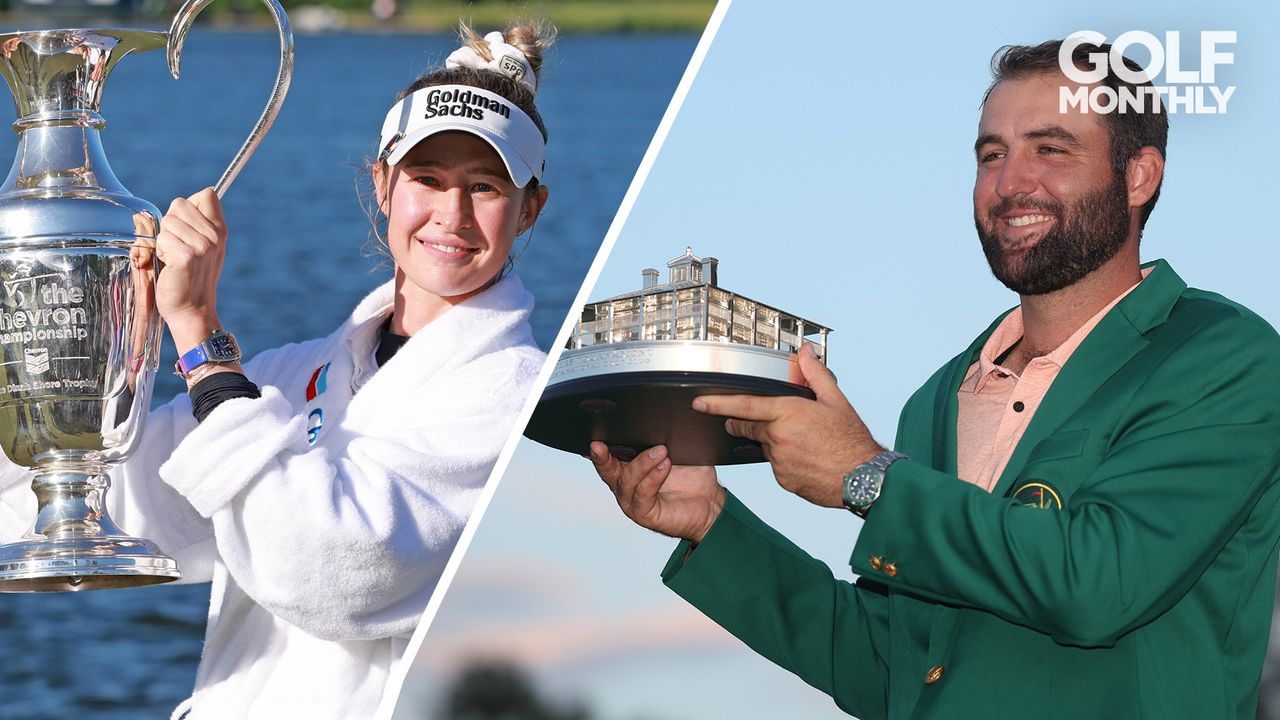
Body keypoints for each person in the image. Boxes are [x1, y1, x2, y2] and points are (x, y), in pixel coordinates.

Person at [592, 38, 1280, 720]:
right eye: (991, 155)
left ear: (1139, 176)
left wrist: (869, 478)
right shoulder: (939, 398)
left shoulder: (1222, 356)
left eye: (1051, 148)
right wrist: (713, 527)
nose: (1010, 182)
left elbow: (1100, 583)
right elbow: (894, 670)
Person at [0, 22, 553, 720]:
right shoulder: (294, 377)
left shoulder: (516, 398)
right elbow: (94, 508)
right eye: (428, 179)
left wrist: (198, 337)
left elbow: (332, 571)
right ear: (382, 184)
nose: (452, 214)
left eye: (486, 186)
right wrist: (60, 339)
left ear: (531, 207)